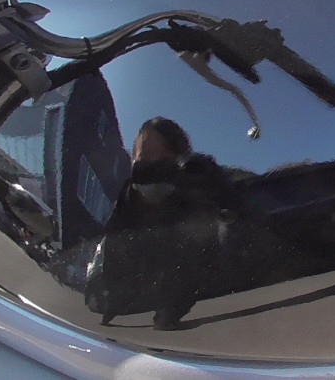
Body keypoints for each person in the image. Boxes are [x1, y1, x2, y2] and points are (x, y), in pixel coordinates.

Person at [90, 117, 233, 329]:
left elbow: (229, 212)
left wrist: (195, 190)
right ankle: (117, 304)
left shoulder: (196, 181)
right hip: (135, 265)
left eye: (166, 159)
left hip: (193, 271)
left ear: (179, 159)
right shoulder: (128, 197)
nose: (155, 168)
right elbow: (114, 245)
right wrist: (114, 298)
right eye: (144, 158)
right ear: (134, 160)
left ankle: (169, 309)